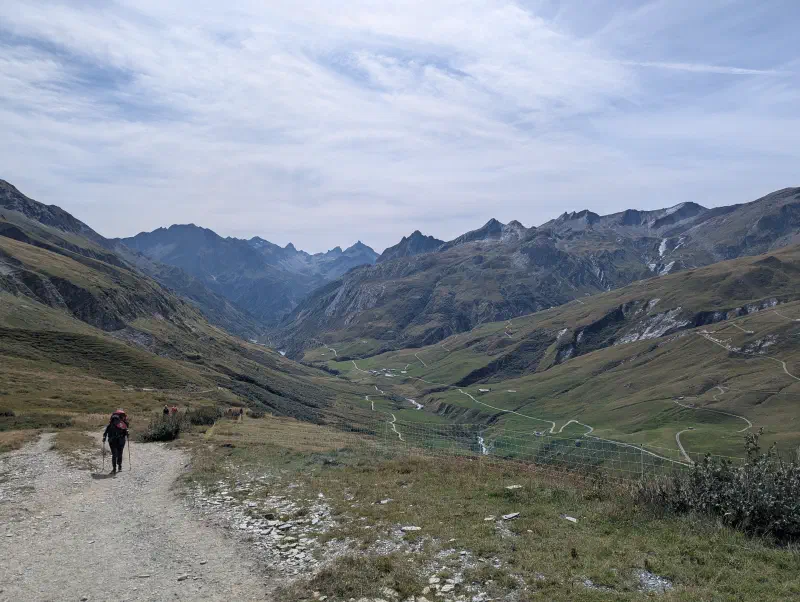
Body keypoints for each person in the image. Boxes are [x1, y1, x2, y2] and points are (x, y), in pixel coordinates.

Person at [103, 409, 129, 474]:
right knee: (120, 453)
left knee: (114, 454)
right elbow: (125, 431)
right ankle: (119, 466)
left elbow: (106, 432)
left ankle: (114, 469)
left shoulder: (111, 424)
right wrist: (127, 435)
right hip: (121, 440)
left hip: (112, 440)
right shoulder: (123, 423)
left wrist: (104, 438)